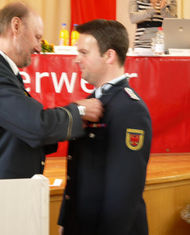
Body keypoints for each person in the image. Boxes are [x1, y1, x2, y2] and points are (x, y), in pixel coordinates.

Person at [0, 2, 102, 180]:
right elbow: (35, 125)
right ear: (16, 26)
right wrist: (80, 111)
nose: (39, 48)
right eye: (37, 37)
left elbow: (20, 129)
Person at [58, 19, 152, 235]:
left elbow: (124, 193)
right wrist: (66, 220)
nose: (76, 60)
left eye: (83, 52)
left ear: (109, 56)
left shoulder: (129, 109)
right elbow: (76, 172)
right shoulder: (92, 102)